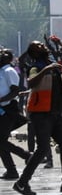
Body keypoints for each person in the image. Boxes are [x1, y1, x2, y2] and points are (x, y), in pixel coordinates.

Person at [12, 41, 62, 195]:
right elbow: (31, 82)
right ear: (34, 53)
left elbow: (60, 85)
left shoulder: (52, 65)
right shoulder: (36, 67)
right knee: (42, 149)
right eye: (38, 46)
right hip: (40, 113)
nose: (43, 46)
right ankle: (22, 183)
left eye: (42, 45)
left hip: (55, 112)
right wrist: (47, 69)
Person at [0, 48, 31, 180]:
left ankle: (26, 155)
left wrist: (0, 100)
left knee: (0, 141)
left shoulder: (9, 70)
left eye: (4, 54)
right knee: (1, 142)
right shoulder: (1, 71)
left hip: (8, 110)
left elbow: (14, 91)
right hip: (2, 109)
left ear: (9, 58)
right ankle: (11, 171)